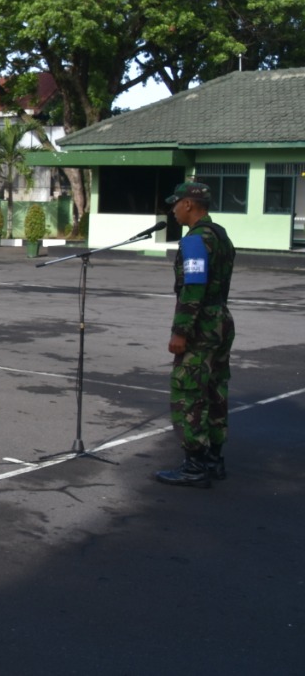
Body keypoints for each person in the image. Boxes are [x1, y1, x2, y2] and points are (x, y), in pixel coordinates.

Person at [155, 181, 236, 488]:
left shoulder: (194, 241)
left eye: (175, 204)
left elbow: (194, 288)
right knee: (216, 390)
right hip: (221, 320)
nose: (172, 211)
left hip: (201, 324)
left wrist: (180, 332)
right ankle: (214, 459)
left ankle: (194, 465)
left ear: (189, 204)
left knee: (189, 391)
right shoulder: (221, 236)